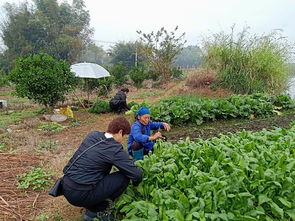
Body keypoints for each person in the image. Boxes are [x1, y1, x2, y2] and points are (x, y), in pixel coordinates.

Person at [61, 117, 142, 221]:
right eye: (124, 137)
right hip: (80, 194)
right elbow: (136, 174)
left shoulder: (93, 135)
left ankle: (91, 204)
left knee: (102, 171)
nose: (123, 141)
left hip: (66, 185)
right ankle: (97, 211)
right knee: (123, 177)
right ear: (120, 132)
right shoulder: (114, 148)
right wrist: (136, 185)